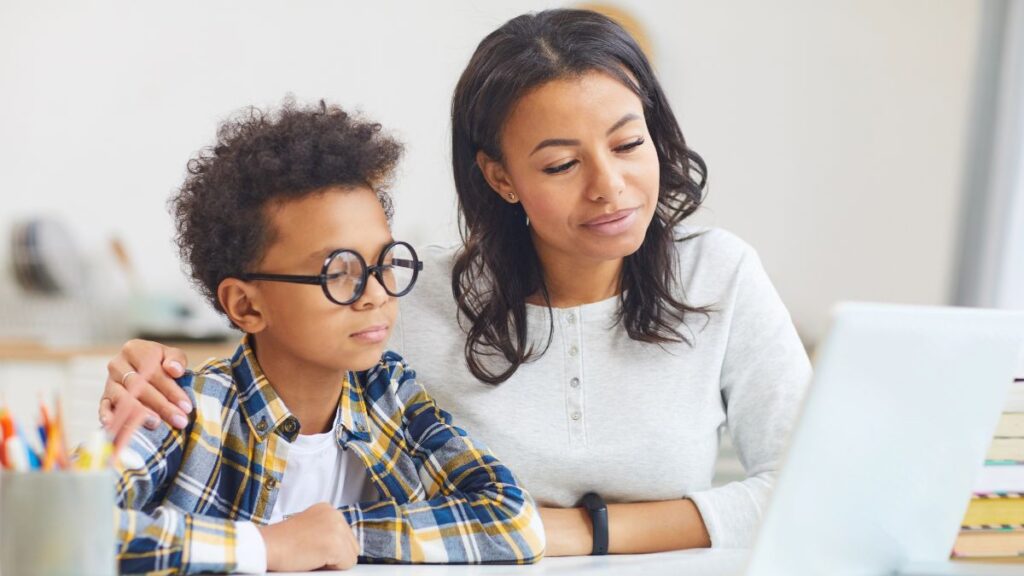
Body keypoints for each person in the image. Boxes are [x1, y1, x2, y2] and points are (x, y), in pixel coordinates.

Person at [101, 9, 810, 557]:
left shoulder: (722, 274)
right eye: (562, 165)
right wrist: (154, 371)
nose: (611, 187)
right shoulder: (411, 298)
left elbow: (816, 492)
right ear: (500, 177)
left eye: (629, 144)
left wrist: (575, 532)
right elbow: (285, 342)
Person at [112, 100, 544, 575]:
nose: (376, 294)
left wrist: (338, 532)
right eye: (338, 272)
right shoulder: (184, 410)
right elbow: (59, 527)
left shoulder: (389, 396)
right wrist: (266, 546)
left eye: (384, 262)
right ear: (246, 305)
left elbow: (514, 521)